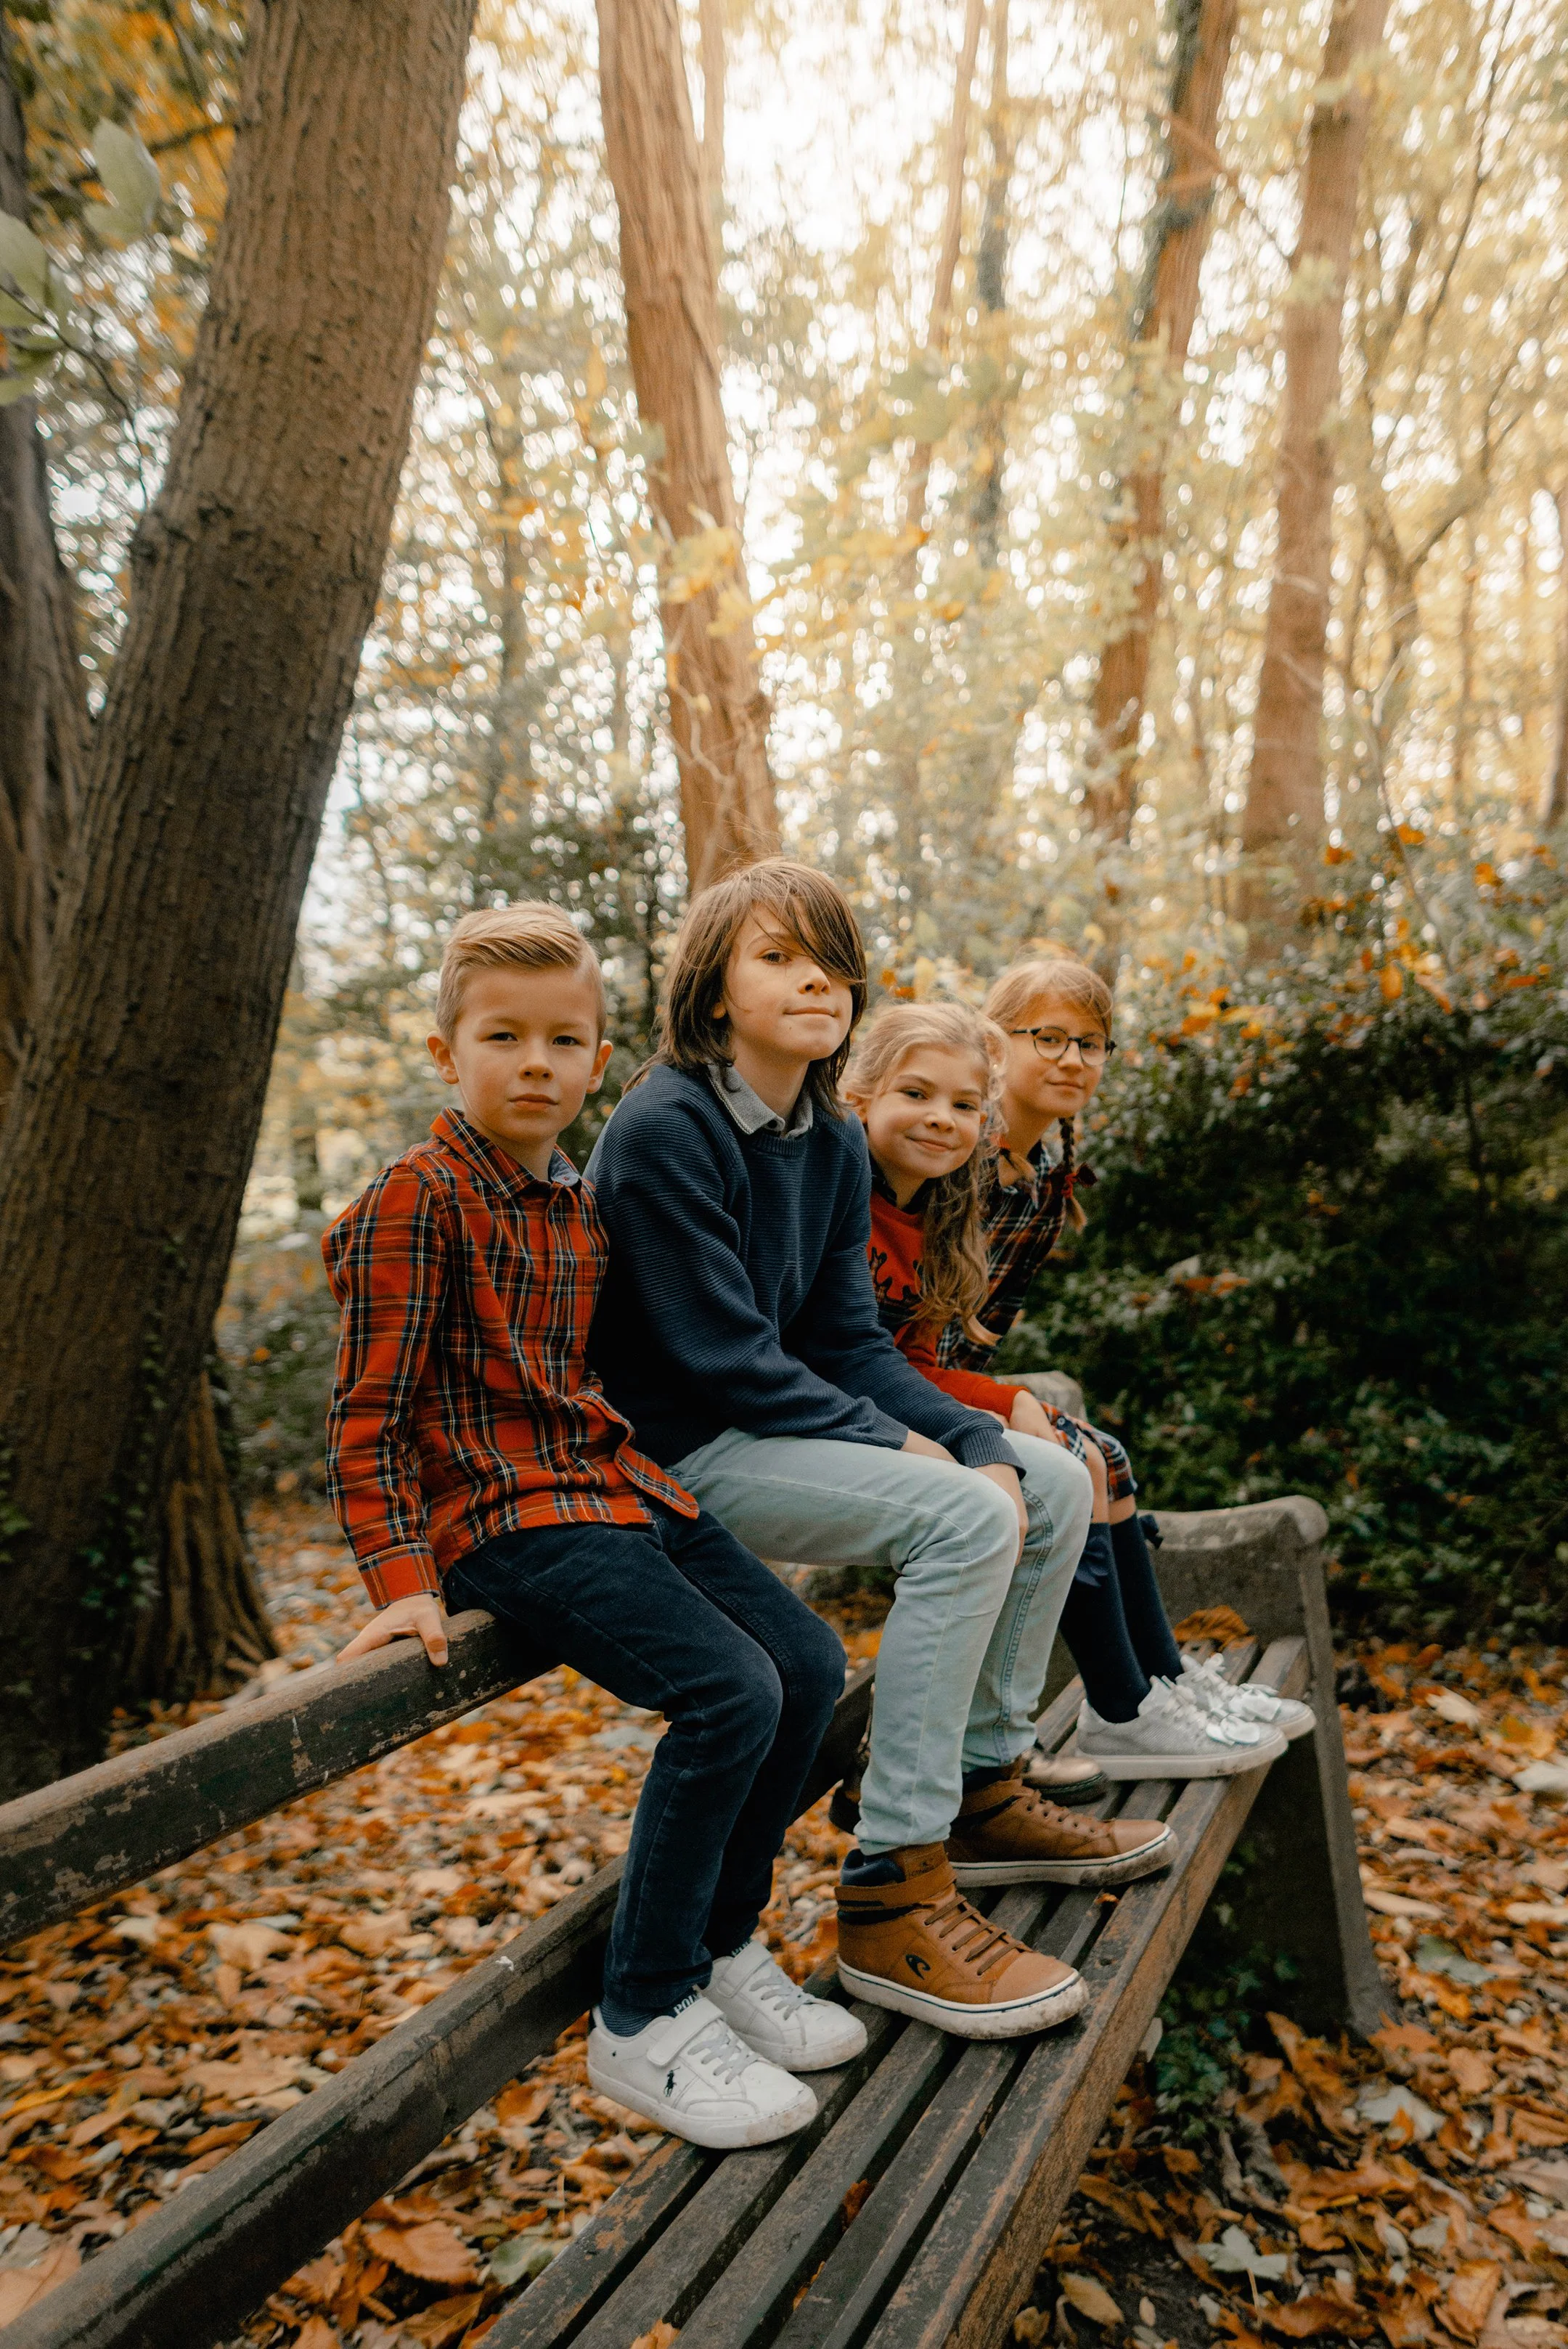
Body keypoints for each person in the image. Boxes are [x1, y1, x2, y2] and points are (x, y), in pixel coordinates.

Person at [587, 859, 1171, 2043]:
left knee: (1046, 1480)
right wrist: (917, 1446)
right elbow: (721, 1359)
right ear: (710, 986)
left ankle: (981, 1784)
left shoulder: (826, 1139)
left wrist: (965, 1429)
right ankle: (895, 1883)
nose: (816, 980)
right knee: (964, 1513)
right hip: (675, 1452)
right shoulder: (666, 1127)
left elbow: (851, 1339)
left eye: (836, 963)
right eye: (778, 957)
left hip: (776, 1431)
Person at [322, 902, 864, 2154]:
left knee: (809, 1663)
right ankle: (643, 2014)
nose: (536, 1066)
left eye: (566, 1042)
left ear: (598, 1053)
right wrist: (397, 1579)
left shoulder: (575, 1200)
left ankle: (723, 1948)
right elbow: (367, 1417)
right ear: (443, 1049)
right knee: (729, 1690)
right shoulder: (417, 1197)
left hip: (613, 1482)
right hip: (501, 1511)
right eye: (502, 1037)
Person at [934, 957, 1315, 1768]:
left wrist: (991, 1395)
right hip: (886, 1392)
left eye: (1092, 1043)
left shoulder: (1039, 1180)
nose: (1073, 1058)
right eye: (1048, 1037)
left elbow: (972, 1337)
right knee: (1071, 1462)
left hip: (941, 1382)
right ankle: (1122, 1703)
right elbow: (900, 1341)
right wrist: (995, 1404)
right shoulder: (952, 1159)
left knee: (1105, 1453)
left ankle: (1159, 1683)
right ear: (993, 1041)